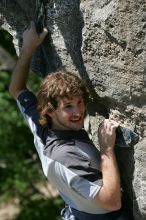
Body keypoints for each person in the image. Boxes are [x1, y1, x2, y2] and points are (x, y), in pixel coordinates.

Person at [9, 22, 129, 220]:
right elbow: (111, 201)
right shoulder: (67, 156)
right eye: (68, 106)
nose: (78, 111)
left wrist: (28, 49)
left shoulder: (41, 128)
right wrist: (106, 150)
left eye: (79, 102)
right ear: (50, 110)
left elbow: (17, 89)